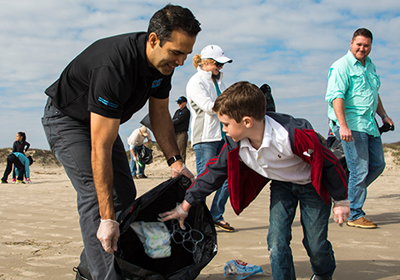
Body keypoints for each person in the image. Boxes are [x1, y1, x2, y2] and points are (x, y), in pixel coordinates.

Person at [41, 4, 200, 279]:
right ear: (153, 40)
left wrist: (176, 162)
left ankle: (89, 269)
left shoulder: (163, 65)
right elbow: (100, 150)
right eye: (177, 53)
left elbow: (160, 113)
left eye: (186, 54)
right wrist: (107, 219)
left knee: (124, 194)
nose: (181, 62)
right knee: (97, 196)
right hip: (68, 120)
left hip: (102, 123)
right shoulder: (114, 66)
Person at [161, 81, 350, 280]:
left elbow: (328, 161)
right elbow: (213, 174)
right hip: (282, 185)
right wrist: (185, 206)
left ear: (247, 122)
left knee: (316, 245)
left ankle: (323, 273)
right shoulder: (236, 144)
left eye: (226, 124)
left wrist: (341, 200)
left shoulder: (290, 135)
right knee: (276, 242)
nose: (223, 129)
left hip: (312, 186)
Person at [325, 28, 394, 229]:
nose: (362, 48)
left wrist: (384, 115)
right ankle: (355, 213)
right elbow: (336, 96)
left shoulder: (370, 66)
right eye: (359, 44)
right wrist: (343, 125)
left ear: (370, 46)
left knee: (377, 165)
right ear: (351, 42)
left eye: (366, 45)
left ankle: (344, 195)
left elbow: (374, 93)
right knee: (359, 169)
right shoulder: (341, 66)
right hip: (351, 126)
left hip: (369, 125)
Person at [186, 44, 234, 232]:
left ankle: (215, 215)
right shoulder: (196, 81)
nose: (220, 68)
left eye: (222, 64)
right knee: (205, 180)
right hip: (205, 137)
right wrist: (233, 103)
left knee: (229, 176)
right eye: (218, 64)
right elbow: (208, 106)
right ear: (206, 63)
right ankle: (197, 221)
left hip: (224, 135)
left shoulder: (220, 82)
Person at [172, 96, 190, 163]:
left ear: (185, 103)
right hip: (175, 134)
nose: (178, 104)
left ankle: (182, 170)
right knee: (175, 153)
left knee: (181, 154)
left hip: (182, 134)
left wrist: (169, 121)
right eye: (178, 103)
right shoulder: (177, 111)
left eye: (180, 103)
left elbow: (178, 120)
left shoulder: (186, 111)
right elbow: (173, 120)